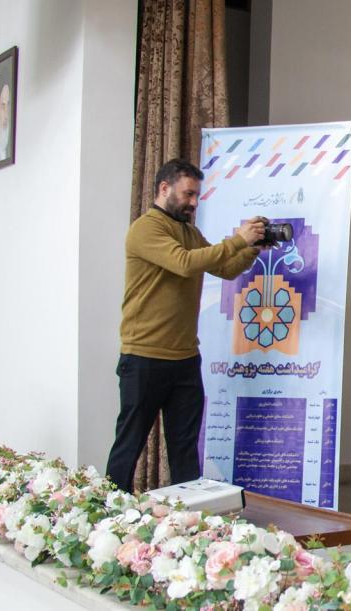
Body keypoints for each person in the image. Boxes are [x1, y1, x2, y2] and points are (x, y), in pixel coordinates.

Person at [105, 159, 265, 493]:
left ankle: (188, 514)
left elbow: (225, 268)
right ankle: (107, 510)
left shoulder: (189, 232)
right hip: (144, 357)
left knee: (184, 448)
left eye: (196, 195)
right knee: (129, 443)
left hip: (185, 359)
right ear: (164, 188)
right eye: (188, 194)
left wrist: (252, 249)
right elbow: (184, 263)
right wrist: (238, 239)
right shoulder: (145, 228)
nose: (194, 202)